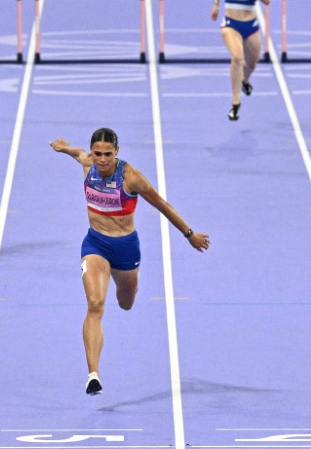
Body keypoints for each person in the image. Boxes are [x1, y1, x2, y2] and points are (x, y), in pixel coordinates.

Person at [50, 128, 209, 395]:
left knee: (126, 303)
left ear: (117, 152)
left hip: (125, 248)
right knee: (95, 304)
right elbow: (78, 154)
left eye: (107, 155)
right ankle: (93, 374)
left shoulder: (131, 178)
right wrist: (66, 149)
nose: (101, 160)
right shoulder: (88, 162)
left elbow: (162, 204)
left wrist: (190, 234)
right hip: (95, 244)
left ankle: (127, 285)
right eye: (97, 153)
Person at [210, 0, 270, 121]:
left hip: (250, 27)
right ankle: (236, 103)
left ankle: (245, 80)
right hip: (231, 24)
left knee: (251, 65)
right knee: (237, 57)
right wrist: (215, 4)